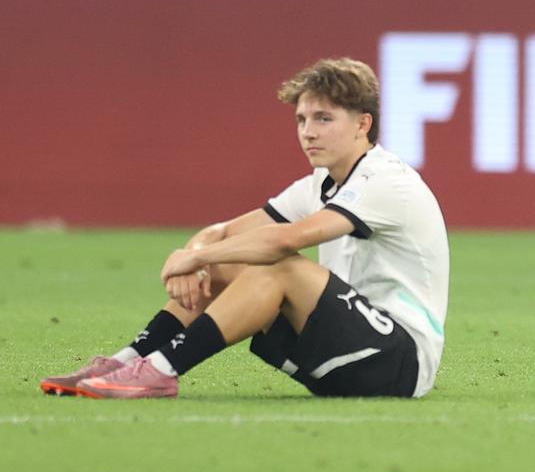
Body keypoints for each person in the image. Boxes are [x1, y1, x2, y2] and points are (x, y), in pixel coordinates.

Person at [40, 58, 450, 399]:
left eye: (324, 118)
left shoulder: (385, 180)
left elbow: (287, 240)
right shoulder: (318, 184)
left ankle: (160, 372)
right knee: (232, 262)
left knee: (279, 265)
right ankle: (127, 361)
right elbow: (223, 232)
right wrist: (199, 258)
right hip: (345, 353)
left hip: (401, 363)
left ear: (363, 124)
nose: (308, 131)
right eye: (302, 119)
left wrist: (196, 257)